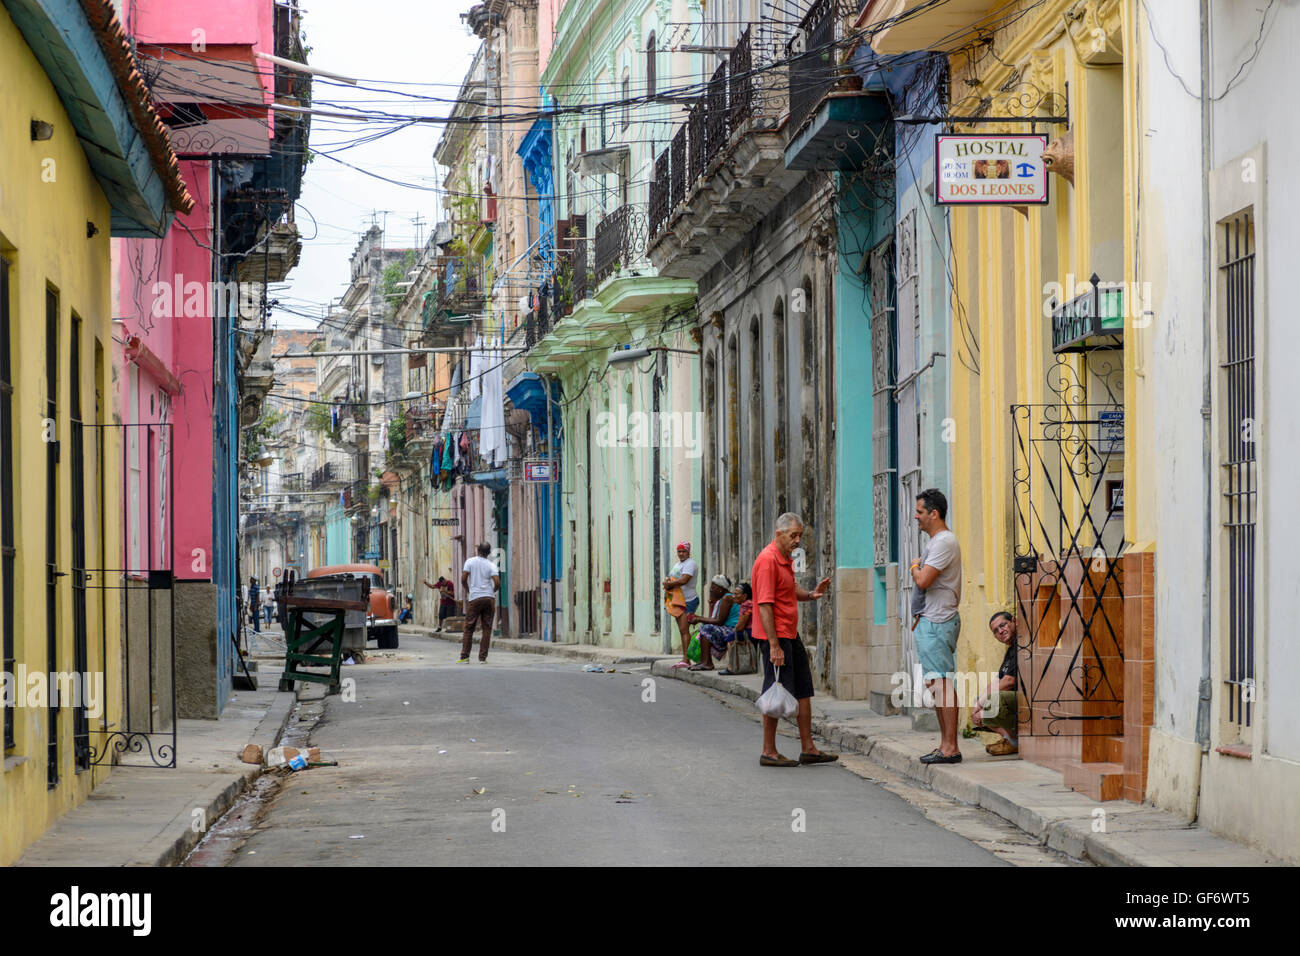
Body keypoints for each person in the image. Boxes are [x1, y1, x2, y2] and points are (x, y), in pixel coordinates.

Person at [752, 513, 836, 767]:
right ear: (779, 534)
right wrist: (775, 645)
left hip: (790, 633)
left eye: (800, 535)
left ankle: (808, 748)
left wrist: (811, 594)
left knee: (803, 690)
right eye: (793, 535)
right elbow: (765, 605)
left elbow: (789, 590)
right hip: (776, 637)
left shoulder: (784, 559)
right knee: (775, 690)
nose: (798, 540)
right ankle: (769, 750)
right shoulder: (768, 560)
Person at [911, 488, 963, 765]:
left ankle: (951, 746)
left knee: (941, 683)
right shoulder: (938, 542)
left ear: (934, 513)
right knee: (936, 683)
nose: (916, 516)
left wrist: (914, 567)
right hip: (931, 620)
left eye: (920, 512)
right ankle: (945, 744)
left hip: (938, 621)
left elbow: (923, 580)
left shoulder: (944, 542)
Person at [972, 611, 1019, 755]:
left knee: (993, 701)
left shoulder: (1022, 645)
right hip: (1015, 699)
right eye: (996, 631)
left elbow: (1009, 681)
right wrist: (977, 704)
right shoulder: (1010, 650)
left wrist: (982, 704)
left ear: (1014, 621)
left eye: (1003, 625)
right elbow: (998, 680)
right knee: (981, 702)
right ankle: (1011, 739)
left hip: (1029, 699)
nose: (1001, 631)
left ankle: (1014, 740)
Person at [686, 574, 737, 671]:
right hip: (728, 627)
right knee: (705, 627)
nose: (711, 590)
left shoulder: (727, 598)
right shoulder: (723, 599)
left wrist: (698, 619)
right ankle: (703, 661)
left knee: (706, 628)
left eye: (713, 587)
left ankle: (708, 663)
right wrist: (711, 605)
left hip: (733, 628)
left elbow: (719, 621)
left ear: (721, 589)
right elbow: (712, 619)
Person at [460, 543, 499, 663]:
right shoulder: (491, 565)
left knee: (469, 627)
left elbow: (463, 579)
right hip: (488, 598)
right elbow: (497, 583)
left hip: (475, 598)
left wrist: (468, 590)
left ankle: (465, 657)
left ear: (478, 550)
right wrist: (491, 592)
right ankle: (482, 658)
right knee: (487, 628)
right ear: (488, 552)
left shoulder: (470, 562)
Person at [662, 541, 699, 669]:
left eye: (683, 551)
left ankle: (686, 659)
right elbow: (671, 577)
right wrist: (667, 580)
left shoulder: (691, 564)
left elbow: (684, 580)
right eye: (679, 551)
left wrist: (669, 585)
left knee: (684, 630)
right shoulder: (678, 564)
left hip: (688, 600)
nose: (681, 554)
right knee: (682, 630)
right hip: (679, 600)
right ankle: (685, 658)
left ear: (689, 552)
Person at [719, 582, 754, 676]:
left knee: (730, 638)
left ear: (744, 596)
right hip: (754, 631)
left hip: (751, 632)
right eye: (733, 594)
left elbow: (740, 626)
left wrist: (734, 631)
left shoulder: (746, 605)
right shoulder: (750, 602)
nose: (734, 596)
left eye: (736, 594)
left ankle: (732, 667)